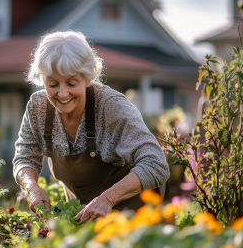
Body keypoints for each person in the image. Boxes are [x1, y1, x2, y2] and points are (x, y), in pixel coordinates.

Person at [13, 31, 169, 223]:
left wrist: (107, 199)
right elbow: (24, 157)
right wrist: (32, 188)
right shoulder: (38, 107)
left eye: (71, 83)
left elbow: (156, 164)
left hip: (133, 214)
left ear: (88, 78)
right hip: (83, 214)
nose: (62, 94)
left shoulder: (111, 107)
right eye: (52, 84)